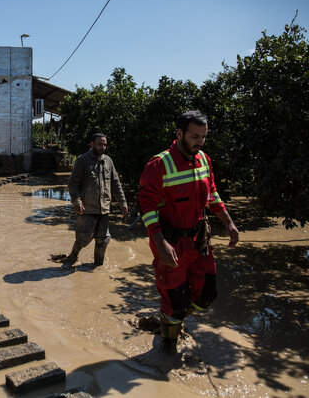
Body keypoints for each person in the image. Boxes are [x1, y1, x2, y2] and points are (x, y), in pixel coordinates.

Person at [138, 110, 239, 354]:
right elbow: (146, 206)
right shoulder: (159, 164)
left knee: (207, 295)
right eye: (195, 136)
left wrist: (228, 221)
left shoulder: (204, 159)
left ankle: (170, 320)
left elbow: (211, 193)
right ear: (179, 133)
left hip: (199, 239)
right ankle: (167, 348)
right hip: (170, 242)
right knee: (175, 303)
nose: (200, 142)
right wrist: (160, 243)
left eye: (203, 137)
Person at [64, 133, 128, 267]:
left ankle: (98, 266)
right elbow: (72, 183)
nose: (102, 147)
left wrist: (122, 203)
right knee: (83, 238)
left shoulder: (108, 161)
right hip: (87, 208)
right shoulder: (83, 160)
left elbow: (116, 184)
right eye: (100, 144)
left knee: (103, 240)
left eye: (104, 144)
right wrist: (77, 201)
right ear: (92, 144)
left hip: (104, 208)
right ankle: (72, 257)